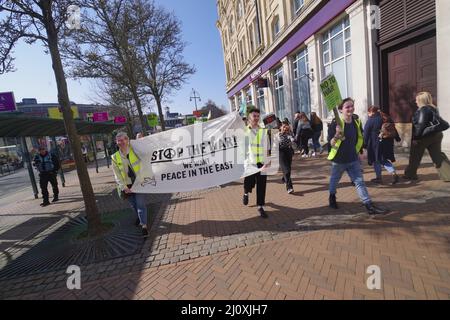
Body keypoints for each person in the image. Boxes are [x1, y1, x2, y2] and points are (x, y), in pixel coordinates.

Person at [327, 98, 388, 215]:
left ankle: (368, 205)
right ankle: (332, 196)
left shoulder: (356, 121)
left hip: (353, 159)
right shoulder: (336, 123)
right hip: (339, 160)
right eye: (347, 107)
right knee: (335, 180)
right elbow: (331, 143)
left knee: (359, 182)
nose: (350, 109)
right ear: (340, 110)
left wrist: (361, 151)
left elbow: (359, 137)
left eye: (351, 106)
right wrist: (336, 135)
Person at [111, 132, 149, 237]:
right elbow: (117, 175)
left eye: (123, 139)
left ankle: (144, 226)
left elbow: (146, 158)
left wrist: (142, 142)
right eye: (119, 140)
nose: (121, 142)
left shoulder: (136, 151)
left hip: (139, 182)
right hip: (127, 186)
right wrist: (124, 187)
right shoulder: (114, 157)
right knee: (134, 205)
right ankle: (140, 217)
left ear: (128, 140)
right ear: (116, 142)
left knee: (140, 204)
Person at [404, 92, 448, 180]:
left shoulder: (423, 110)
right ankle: (448, 174)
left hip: (423, 137)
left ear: (421, 100)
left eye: (416, 100)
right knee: (437, 156)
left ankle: (410, 174)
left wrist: (416, 138)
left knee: (415, 156)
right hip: (436, 135)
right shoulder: (434, 108)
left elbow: (420, 126)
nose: (415, 102)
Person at [243, 107, 271, 218]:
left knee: (261, 185)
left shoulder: (263, 131)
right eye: (254, 116)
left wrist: (268, 161)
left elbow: (268, 146)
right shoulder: (244, 131)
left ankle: (260, 206)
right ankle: (246, 192)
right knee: (249, 183)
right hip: (250, 163)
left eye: (257, 116)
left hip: (262, 162)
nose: (256, 118)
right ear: (249, 117)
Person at [364, 106, 400, 185]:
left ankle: (379, 178)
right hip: (387, 143)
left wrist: (364, 144)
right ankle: (393, 173)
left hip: (376, 144)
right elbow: (394, 129)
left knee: (376, 160)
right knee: (383, 159)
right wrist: (397, 138)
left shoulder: (371, 120)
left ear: (372, 112)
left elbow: (366, 133)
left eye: (368, 112)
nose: (368, 114)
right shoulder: (386, 118)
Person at [279, 123, 295, 193]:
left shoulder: (289, 134)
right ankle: (289, 187)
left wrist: (292, 141)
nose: (285, 128)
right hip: (281, 152)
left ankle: (284, 178)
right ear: (280, 127)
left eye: (286, 127)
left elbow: (292, 140)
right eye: (283, 127)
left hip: (288, 152)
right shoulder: (277, 135)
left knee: (288, 168)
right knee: (286, 170)